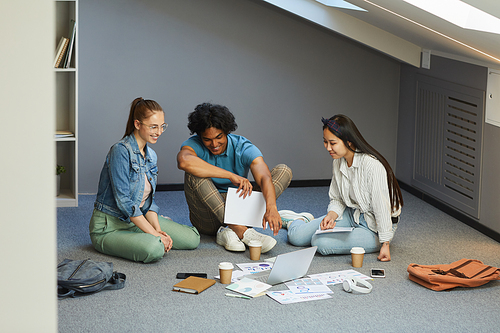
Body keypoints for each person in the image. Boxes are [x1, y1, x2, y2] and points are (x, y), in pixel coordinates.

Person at [89, 97, 200, 263]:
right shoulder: (120, 151)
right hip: (110, 227)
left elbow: (149, 200)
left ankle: (145, 233)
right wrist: (155, 235)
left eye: (162, 126)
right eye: (153, 127)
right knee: (155, 248)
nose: (159, 132)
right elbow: (125, 203)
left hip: (138, 219)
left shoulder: (151, 156)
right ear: (137, 124)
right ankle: (144, 237)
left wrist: (157, 229)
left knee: (192, 239)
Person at [279, 115, 403, 262]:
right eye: (325, 142)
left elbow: (381, 207)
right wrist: (331, 216)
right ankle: (298, 219)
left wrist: (385, 243)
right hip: (352, 213)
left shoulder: (372, 166)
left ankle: (374, 238)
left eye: (333, 143)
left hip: (374, 227)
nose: (328, 148)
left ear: (349, 142)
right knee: (296, 237)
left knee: (320, 243)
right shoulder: (338, 161)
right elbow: (337, 198)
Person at [177, 103, 292, 253]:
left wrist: (271, 207)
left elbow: (264, 177)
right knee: (193, 173)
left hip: (240, 209)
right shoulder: (193, 144)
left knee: (284, 170)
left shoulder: (242, 146)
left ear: (227, 131)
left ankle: (233, 229)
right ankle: (241, 231)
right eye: (207, 139)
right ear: (199, 136)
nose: (214, 144)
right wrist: (230, 175)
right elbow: (184, 161)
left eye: (219, 137)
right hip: (208, 217)